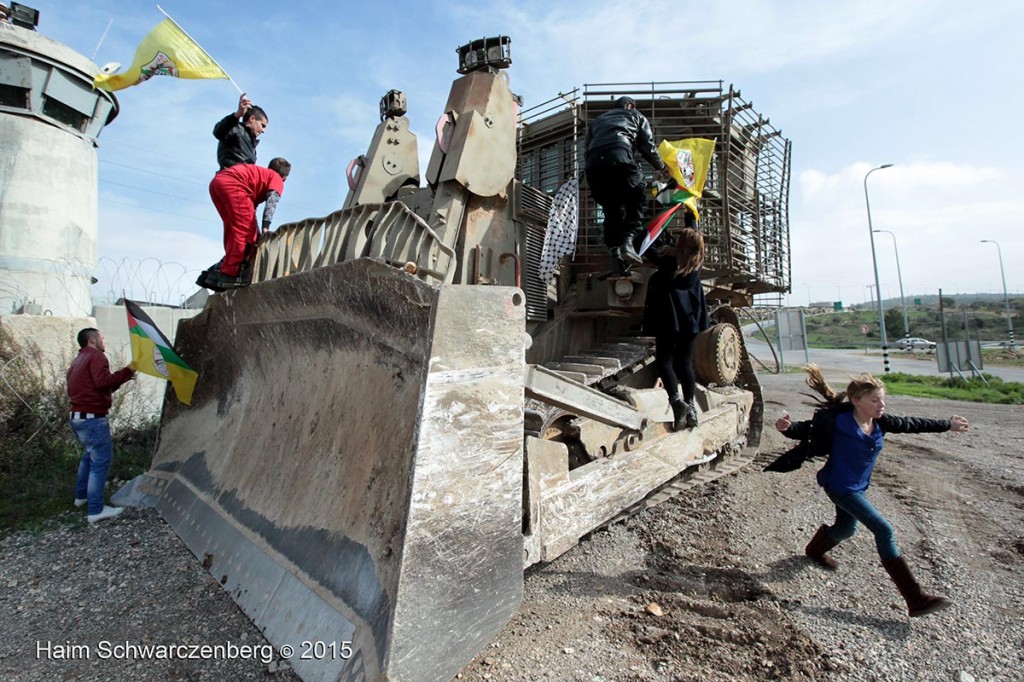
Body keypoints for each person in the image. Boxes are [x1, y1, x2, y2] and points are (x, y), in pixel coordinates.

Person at [769, 364, 970, 618]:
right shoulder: (838, 422)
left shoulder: (880, 423)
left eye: (882, 399)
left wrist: (947, 425)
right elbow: (806, 430)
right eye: (874, 400)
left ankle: (814, 551)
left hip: (857, 487)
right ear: (856, 401)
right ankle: (916, 599)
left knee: (845, 529)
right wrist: (786, 428)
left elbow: (913, 424)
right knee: (884, 529)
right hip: (840, 486)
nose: (881, 404)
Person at [585, 96, 669, 270]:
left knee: (611, 208)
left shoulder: (597, 121)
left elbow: (587, 148)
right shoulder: (636, 116)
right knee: (638, 196)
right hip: (620, 156)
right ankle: (628, 241)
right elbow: (648, 146)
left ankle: (615, 252)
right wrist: (661, 167)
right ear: (630, 106)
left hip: (594, 167)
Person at [67, 328, 135, 523]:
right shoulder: (96, 357)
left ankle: (82, 497)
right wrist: (128, 370)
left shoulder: (79, 360)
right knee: (100, 461)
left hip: (78, 416)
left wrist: (124, 376)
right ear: (92, 340)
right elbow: (102, 381)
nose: (104, 340)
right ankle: (96, 510)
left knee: (89, 456)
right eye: (102, 337)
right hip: (92, 418)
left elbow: (99, 386)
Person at [643, 228, 709, 431]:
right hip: (690, 321)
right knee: (684, 362)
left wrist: (658, 229)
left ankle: (676, 403)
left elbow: (647, 247)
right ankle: (690, 407)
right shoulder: (695, 264)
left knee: (664, 361)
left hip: (669, 320)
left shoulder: (669, 261)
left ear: (680, 244)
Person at [200, 157, 292, 291]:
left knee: (233, 232)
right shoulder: (276, 178)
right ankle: (229, 277)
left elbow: (250, 212)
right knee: (244, 234)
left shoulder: (258, 174)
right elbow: (272, 201)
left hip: (217, 183)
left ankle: (213, 275)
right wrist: (265, 227)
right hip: (233, 185)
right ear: (284, 178)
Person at [213, 93, 268, 170]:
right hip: (230, 178)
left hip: (241, 180)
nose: (263, 131)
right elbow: (218, 132)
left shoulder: (252, 145)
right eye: (262, 125)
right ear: (252, 119)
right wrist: (238, 114)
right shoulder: (234, 129)